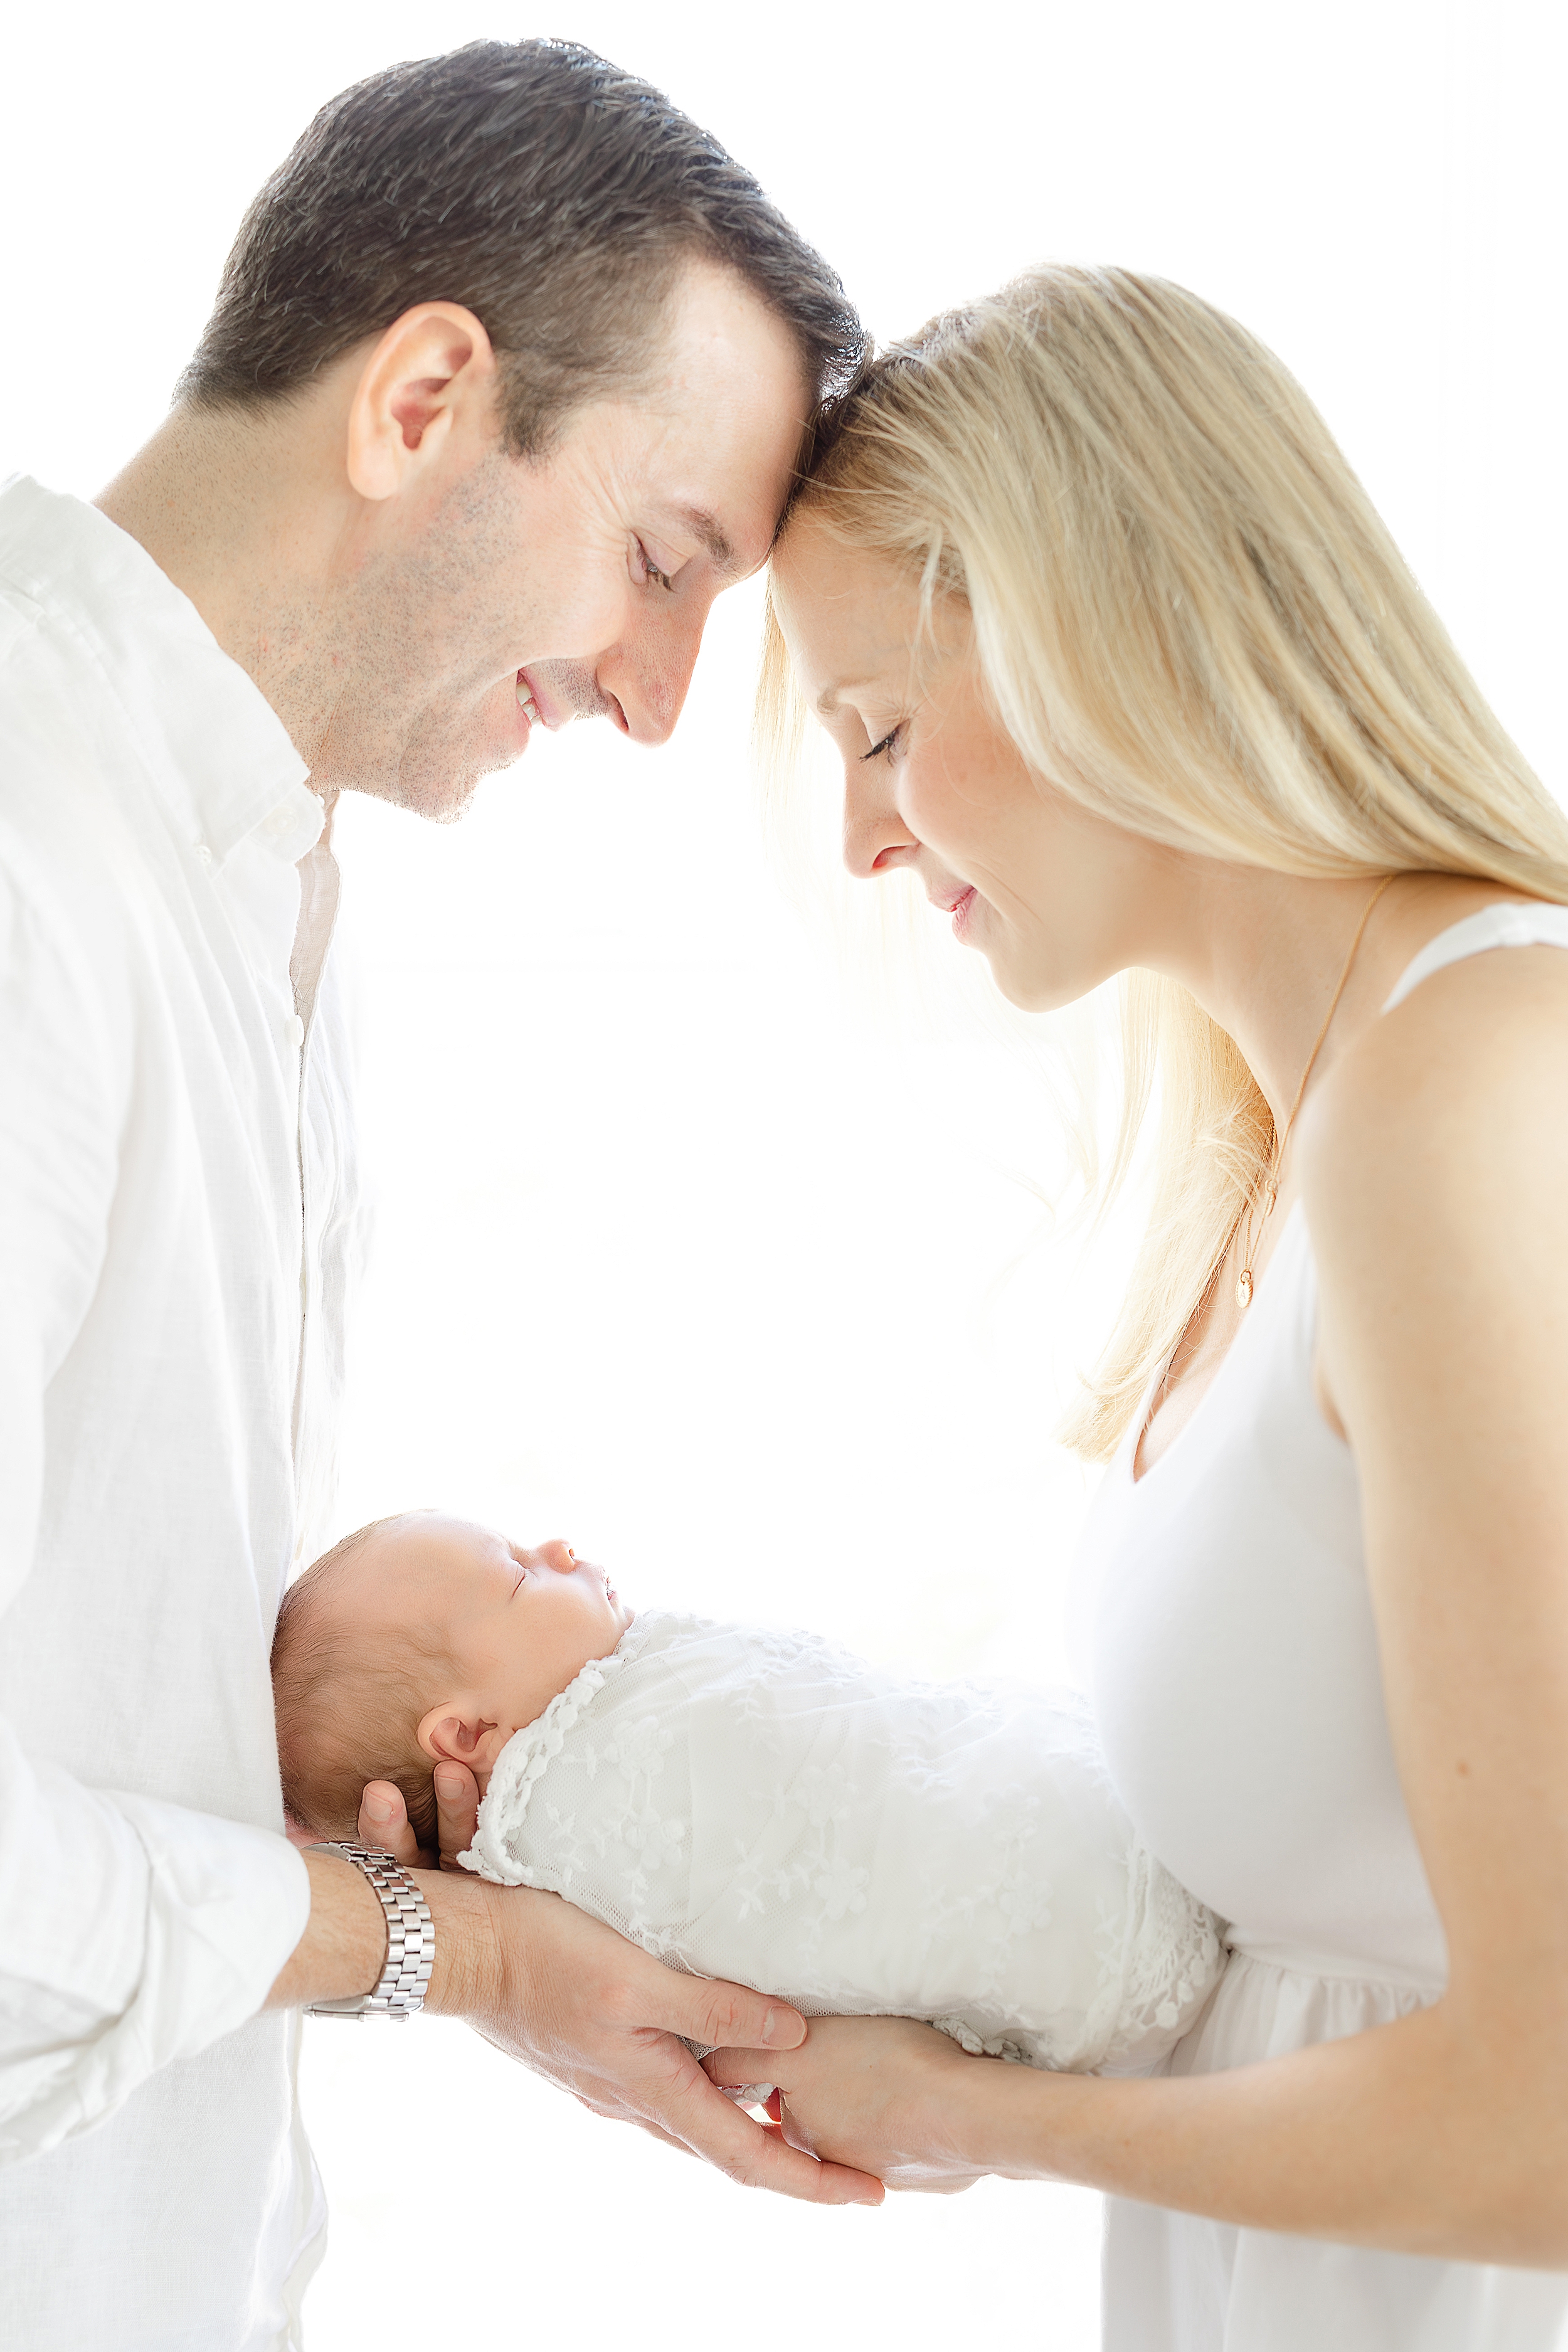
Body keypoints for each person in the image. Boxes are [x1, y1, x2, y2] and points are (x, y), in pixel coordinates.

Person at [0, 38, 875, 2352]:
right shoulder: (20, 851)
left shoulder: (264, 883)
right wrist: (453, 1955)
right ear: (419, 404)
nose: (665, 696)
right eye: (664, 560)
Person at [694, 268, 1568, 2346]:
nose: (863, 834)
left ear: (1114, 624)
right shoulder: (1289, 1144)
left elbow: (1548, 2120)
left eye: (882, 731)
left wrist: (983, 2112)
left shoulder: (1468, 1091)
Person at [268, 1510, 1226, 2073]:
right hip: (1082, 1884)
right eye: (518, 1574)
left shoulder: (631, 1696)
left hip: (1096, 1809)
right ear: (469, 1734)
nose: (557, 1546)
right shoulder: (582, 1822)